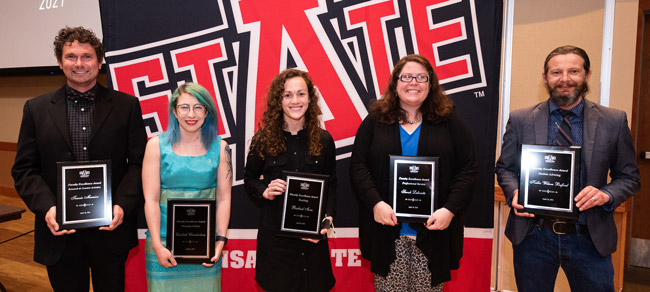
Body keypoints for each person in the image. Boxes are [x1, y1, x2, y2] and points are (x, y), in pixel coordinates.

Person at [11, 26, 147, 291]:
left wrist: (121, 206)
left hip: (111, 229)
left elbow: (140, 164)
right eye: (71, 56)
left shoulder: (126, 106)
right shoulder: (36, 109)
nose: (79, 63)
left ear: (99, 61)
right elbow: (24, 169)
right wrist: (49, 208)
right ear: (60, 63)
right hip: (59, 230)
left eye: (87, 56)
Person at [496, 45, 641, 291]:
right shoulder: (521, 119)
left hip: (589, 236)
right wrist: (514, 192)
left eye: (573, 71)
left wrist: (606, 194)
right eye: (556, 73)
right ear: (545, 77)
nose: (565, 79)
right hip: (534, 237)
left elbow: (629, 177)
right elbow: (505, 168)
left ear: (587, 74)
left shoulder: (613, 121)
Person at [349, 54, 478, 291]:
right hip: (388, 234)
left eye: (421, 77)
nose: (413, 83)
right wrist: (376, 203)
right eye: (406, 76)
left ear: (431, 84)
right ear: (395, 83)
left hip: (433, 234)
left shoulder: (449, 121)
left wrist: (449, 209)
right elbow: (358, 166)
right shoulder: (375, 120)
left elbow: (467, 169)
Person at [244, 69, 337, 292]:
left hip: (312, 241)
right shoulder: (263, 139)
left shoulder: (324, 140)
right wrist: (265, 191)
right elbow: (249, 179)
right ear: (279, 100)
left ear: (310, 98)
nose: (295, 101)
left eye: (301, 94)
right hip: (276, 243)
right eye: (287, 95)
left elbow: (332, 185)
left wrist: (327, 222)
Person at [142, 82, 232, 291]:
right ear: (174, 110)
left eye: (198, 107)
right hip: (163, 245)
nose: (191, 114)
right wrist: (157, 245)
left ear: (206, 111)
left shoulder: (221, 148)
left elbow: (225, 199)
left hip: (205, 246)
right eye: (184, 107)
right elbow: (151, 200)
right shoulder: (155, 146)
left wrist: (219, 241)